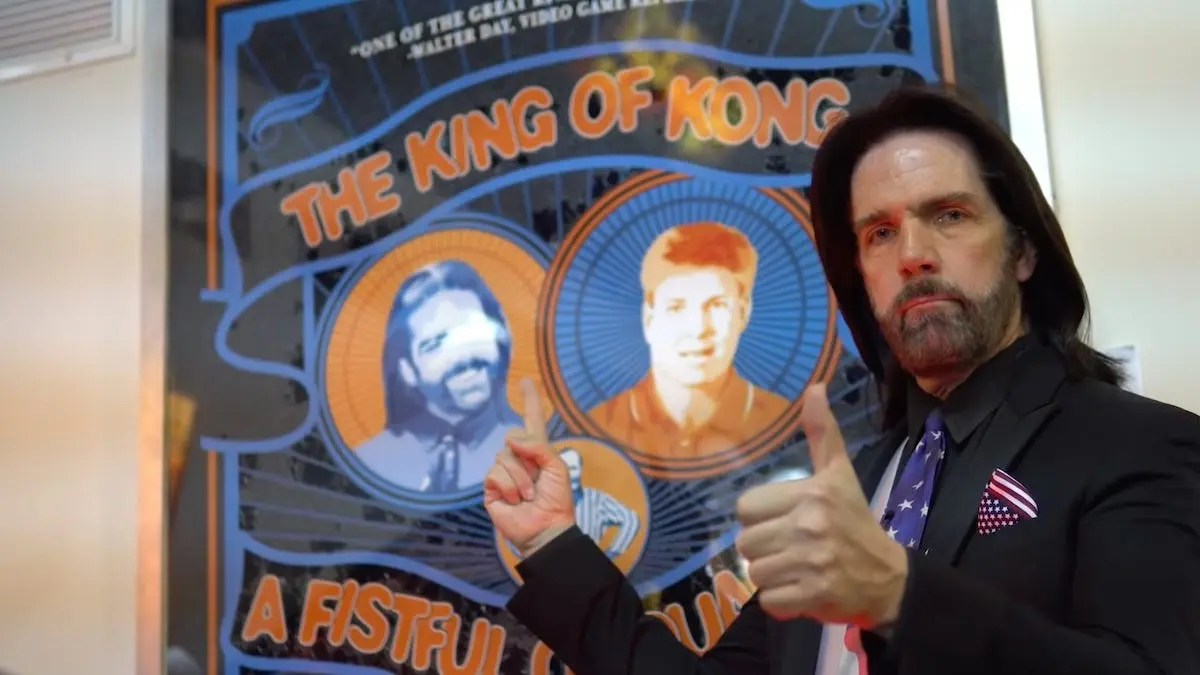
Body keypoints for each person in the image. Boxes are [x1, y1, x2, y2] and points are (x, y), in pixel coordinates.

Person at [482, 85, 1200, 674]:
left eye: (949, 215)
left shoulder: (1140, 444)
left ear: (1022, 252)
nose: (912, 253)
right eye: (879, 233)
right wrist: (551, 544)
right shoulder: (854, 490)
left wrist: (901, 598)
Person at [588, 221, 788, 461]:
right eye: (676, 308)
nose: (698, 329)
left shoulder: (786, 422)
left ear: (743, 313)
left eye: (716, 306)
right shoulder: (595, 430)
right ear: (648, 319)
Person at [356, 259, 521, 493]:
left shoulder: (543, 445)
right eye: (434, 345)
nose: (463, 355)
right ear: (407, 370)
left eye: (473, 330)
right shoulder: (369, 465)